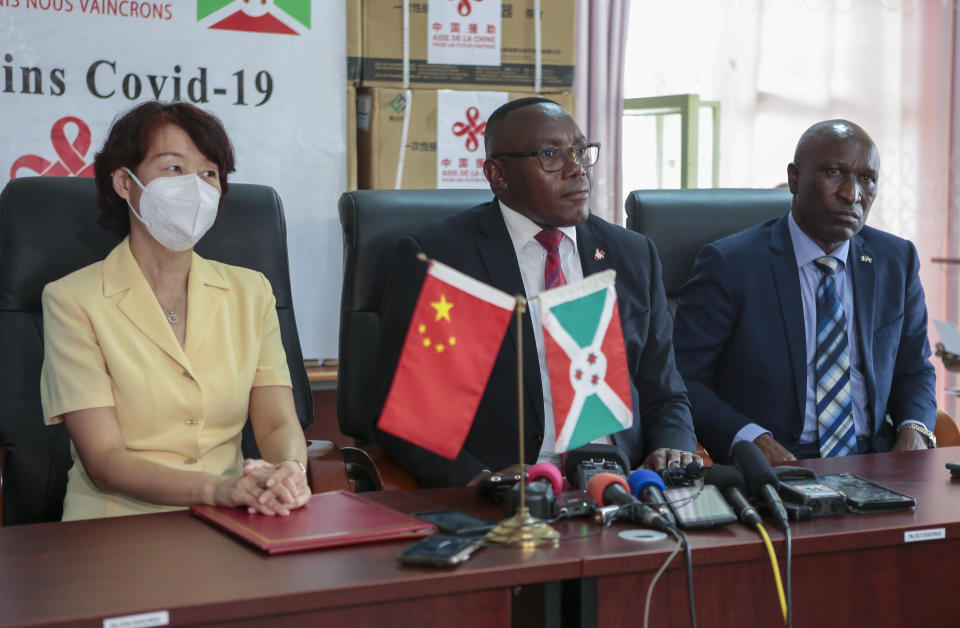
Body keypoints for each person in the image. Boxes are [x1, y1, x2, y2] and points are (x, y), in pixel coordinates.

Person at [375, 97, 700, 487]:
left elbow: (664, 391)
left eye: (580, 150)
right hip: (510, 492)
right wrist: (482, 481)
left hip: (623, 484)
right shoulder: (446, 260)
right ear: (498, 174)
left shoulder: (630, 254)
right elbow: (409, 417)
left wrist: (672, 446)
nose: (577, 169)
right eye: (551, 155)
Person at [40, 101, 309, 520]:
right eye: (174, 169)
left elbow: (277, 423)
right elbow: (105, 460)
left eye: (209, 173)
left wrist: (289, 470)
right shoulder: (73, 299)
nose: (196, 187)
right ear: (124, 183)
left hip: (234, 520)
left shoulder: (251, 291)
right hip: (113, 531)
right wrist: (219, 490)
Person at [673, 119, 937, 463]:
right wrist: (749, 439)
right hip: (775, 464)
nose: (852, 194)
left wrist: (915, 430)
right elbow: (683, 379)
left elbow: (915, 369)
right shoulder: (731, 264)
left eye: (867, 179)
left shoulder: (895, 260)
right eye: (834, 172)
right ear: (794, 178)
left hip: (875, 460)